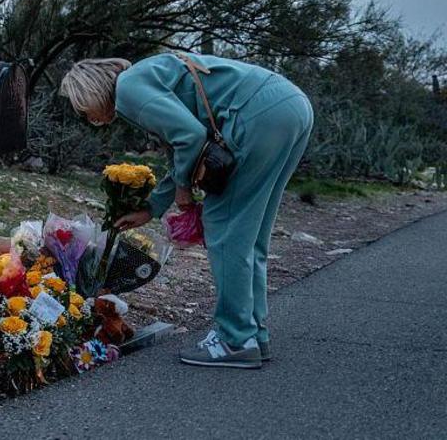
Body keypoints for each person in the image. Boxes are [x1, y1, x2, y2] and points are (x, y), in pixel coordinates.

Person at [59, 52, 313, 369]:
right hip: (290, 106)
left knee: (225, 230)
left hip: (258, 115)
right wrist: (153, 206)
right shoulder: (145, 75)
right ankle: (253, 335)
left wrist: (183, 189)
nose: (88, 118)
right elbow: (186, 144)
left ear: (90, 90)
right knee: (251, 236)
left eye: (83, 108)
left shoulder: (128, 89)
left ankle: (234, 340)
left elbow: (191, 137)